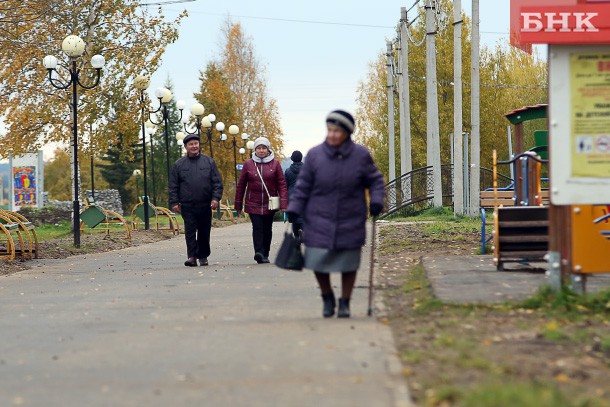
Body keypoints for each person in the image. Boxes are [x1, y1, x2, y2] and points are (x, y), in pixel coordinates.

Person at [286, 110, 385, 318]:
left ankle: (345, 302)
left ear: (347, 133)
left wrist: (376, 200)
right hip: (318, 216)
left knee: (348, 261)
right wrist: (294, 207)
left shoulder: (360, 155)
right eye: (329, 130)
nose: (332, 135)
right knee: (316, 259)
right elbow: (303, 186)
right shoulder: (315, 155)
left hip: (350, 216)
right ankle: (327, 296)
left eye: (337, 131)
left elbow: (375, 180)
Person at [169, 133, 223, 267]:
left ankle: (203, 256)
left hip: (205, 204)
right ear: (186, 147)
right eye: (191, 144)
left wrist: (216, 198)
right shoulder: (179, 164)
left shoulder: (208, 162)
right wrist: (174, 202)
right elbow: (173, 185)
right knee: (190, 231)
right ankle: (192, 256)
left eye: (196, 143)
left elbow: (217, 182)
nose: (194, 146)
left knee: (204, 231)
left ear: (199, 145)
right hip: (188, 204)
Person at [234, 136, 288, 264]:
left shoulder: (275, 164)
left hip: (270, 203)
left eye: (264, 148)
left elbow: (282, 184)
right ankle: (258, 252)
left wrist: (284, 203)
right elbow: (241, 185)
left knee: (267, 228)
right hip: (253, 202)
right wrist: (238, 204)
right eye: (259, 148)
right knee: (257, 227)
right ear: (255, 150)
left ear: (268, 149)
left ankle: (265, 253)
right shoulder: (248, 164)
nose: (262, 150)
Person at [284, 150, 304, 237]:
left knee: (294, 218)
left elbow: (285, 185)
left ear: (292, 159)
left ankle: (296, 236)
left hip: (291, 197)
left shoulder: (288, 171)